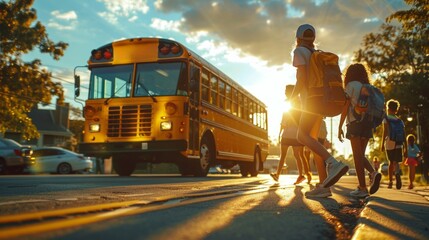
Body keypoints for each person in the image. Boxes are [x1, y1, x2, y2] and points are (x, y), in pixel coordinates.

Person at [290, 24, 349, 198]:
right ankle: (324, 187)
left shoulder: (299, 52)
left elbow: (301, 80)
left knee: (302, 136)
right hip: (321, 99)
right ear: (313, 38)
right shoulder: (316, 53)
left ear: (298, 37)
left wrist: (292, 98)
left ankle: (333, 163)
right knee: (314, 141)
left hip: (311, 101)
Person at [338, 63, 382, 197]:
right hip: (368, 124)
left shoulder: (350, 86)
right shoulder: (368, 88)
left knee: (357, 156)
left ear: (350, 74)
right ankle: (373, 174)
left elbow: (345, 107)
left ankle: (362, 187)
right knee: (360, 155)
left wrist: (340, 126)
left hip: (355, 123)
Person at [270, 85, 311, 184]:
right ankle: (282, 175)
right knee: (293, 155)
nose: (284, 92)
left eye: (286, 91)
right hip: (292, 133)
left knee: (291, 155)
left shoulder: (294, 103)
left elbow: (286, 120)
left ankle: (281, 175)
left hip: (291, 133)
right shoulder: (294, 103)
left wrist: (280, 132)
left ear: (291, 92)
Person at [381, 99, 404, 189]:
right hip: (398, 142)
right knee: (396, 162)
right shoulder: (399, 120)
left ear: (388, 108)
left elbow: (385, 131)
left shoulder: (386, 118)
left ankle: (390, 182)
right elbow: (404, 133)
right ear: (396, 110)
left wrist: (382, 144)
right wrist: (405, 146)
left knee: (390, 162)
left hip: (390, 142)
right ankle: (397, 173)